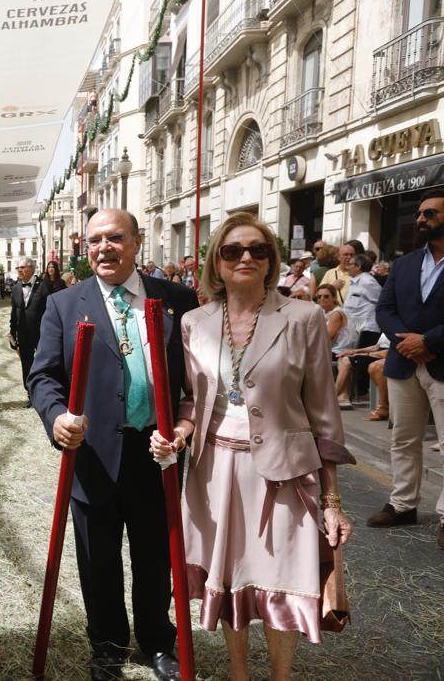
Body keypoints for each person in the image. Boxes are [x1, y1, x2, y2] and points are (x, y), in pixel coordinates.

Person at [149, 212, 353, 681]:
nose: (245, 257)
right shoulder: (194, 322)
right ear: (215, 263)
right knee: (231, 578)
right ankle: (238, 673)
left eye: (256, 250)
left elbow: (324, 412)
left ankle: (280, 677)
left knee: (284, 580)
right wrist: (179, 433)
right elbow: (190, 400)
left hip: (285, 472)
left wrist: (333, 501)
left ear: (270, 261)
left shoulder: (304, 317)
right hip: (214, 470)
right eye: (232, 250)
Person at [28, 209, 198, 681]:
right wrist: (56, 416)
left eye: (116, 238)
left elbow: (195, 378)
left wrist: (183, 429)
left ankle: (157, 640)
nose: (105, 248)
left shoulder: (177, 300)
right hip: (94, 456)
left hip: (156, 454)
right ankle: (106, 643)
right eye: (96, 240)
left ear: (138, 242)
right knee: (97, 558)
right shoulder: (65, 304)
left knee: (154, 555)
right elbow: (42, 375)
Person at [368, 189, 444, 551]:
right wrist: (405, 342)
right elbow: (384, 309)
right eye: (420, 214)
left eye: (430, 214)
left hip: (440, 361)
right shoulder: (404, 263)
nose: (421, 220)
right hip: (402, 362)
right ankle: (403, 504)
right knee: (403, 440)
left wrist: (428, 341)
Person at [8, 256, 48, 406]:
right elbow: (14, 312)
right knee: (26, 364)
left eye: (22, 268)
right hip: (23, 334)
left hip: (41, 334)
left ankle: (45, 393)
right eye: (18, 268)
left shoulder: (44, 287)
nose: (19, 271)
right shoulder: (16, 288)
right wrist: (12, 331)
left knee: (44, 363)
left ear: (31, 268)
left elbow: (49, 311)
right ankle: (30, 394)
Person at [341, 252, 382, 395]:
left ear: (358, 266)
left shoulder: (368, 282)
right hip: (356, 325)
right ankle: (357, 392)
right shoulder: (355, 281)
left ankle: (362, 393)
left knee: (362, 361)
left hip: (368, 326)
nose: (348, 266)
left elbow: (381, 302)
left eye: (350, 264)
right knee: (353, 359)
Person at [335, 335, 390, 421]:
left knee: (346, 360)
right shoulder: (387, 328)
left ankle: (335, 395)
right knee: (343, 358)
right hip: (377, 353)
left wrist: (364, 354)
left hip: (385, 355)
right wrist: (354, 351)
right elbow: (376, 346)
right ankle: (342, 396)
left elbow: (388, 351)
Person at [314, 283, 357, 363]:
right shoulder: (322, 312)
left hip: (339, 351)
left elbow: (327, 337)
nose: (322, 299)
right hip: (327, 349)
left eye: (326, 296)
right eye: (319, 296)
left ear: (334, 298)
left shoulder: (337, 313)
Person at [320, 240, 363, 304]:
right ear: (338, 257)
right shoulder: (330, 273)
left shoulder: (359, 274)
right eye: (346, 254)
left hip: (352, 312)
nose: (349, 257)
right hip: (332, 312)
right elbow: (319, 293)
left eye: (352, 255)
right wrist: (332, 287)